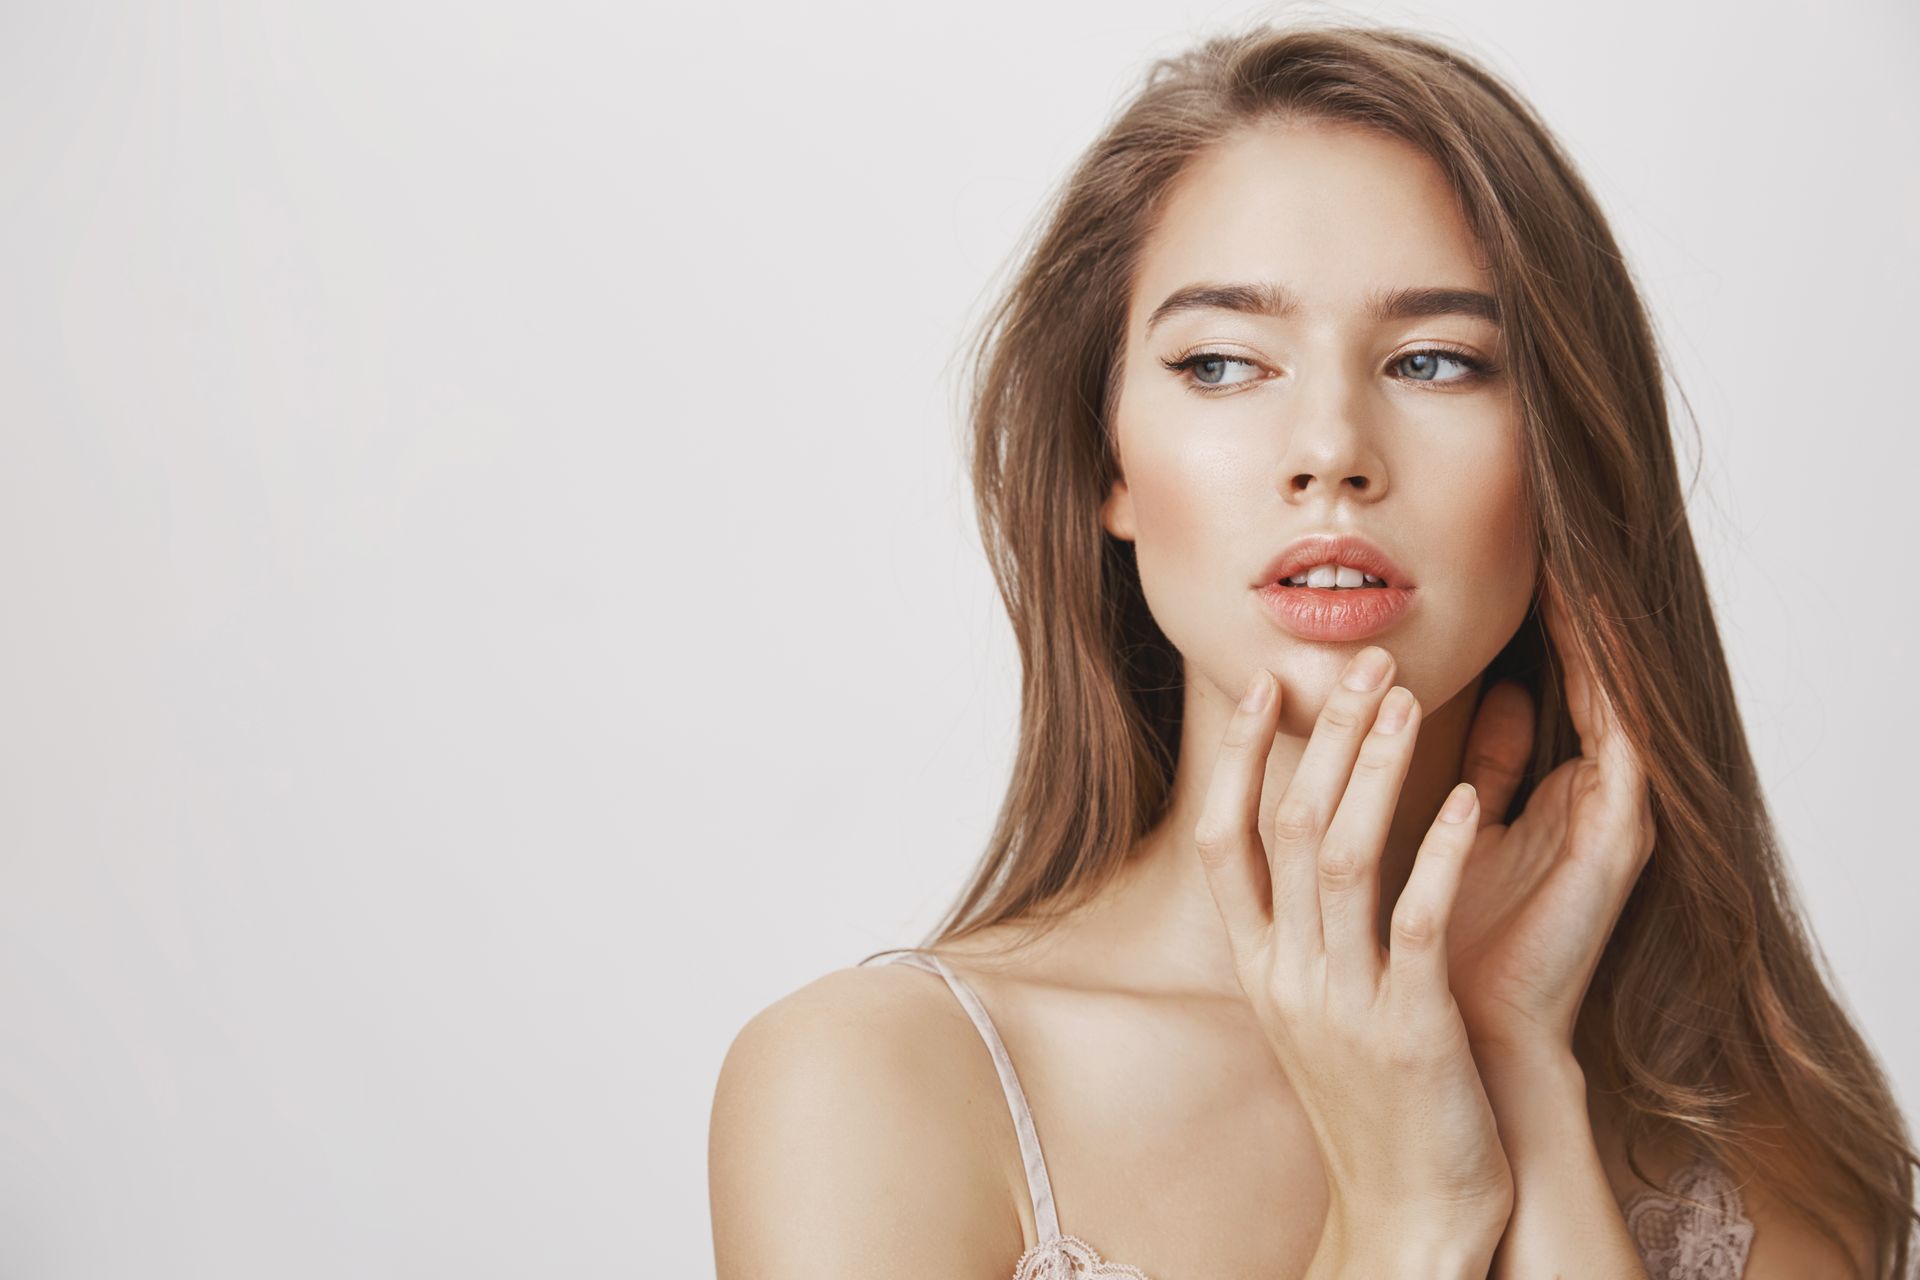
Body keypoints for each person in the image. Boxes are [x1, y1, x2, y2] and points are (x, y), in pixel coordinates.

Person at [708, 21, 1919, 1279]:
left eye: (1437, 360)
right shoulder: (869, 1085)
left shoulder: (1750, 1131)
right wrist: (1408, 1213)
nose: (1331, 446)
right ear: (1107, 461)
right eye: (1223, 363)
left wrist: (1515, 1067)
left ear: (1562, 460)